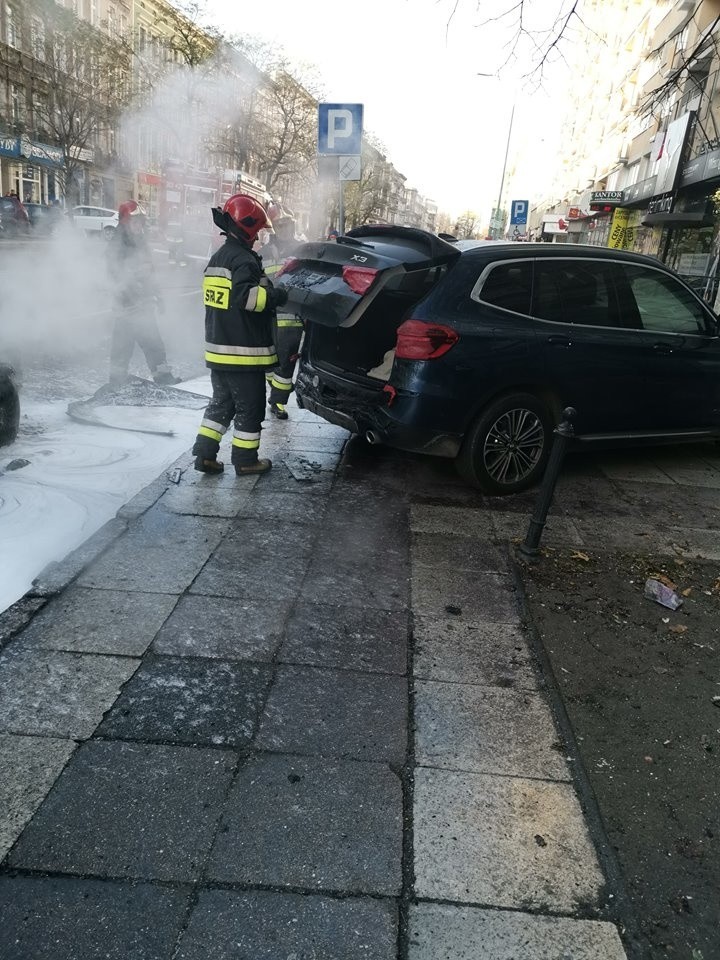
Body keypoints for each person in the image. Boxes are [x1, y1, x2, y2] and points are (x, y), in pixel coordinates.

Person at [191, 193, 288, 476]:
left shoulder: (219, 257)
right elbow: (248, 299)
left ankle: (205, 455)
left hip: (218, 350)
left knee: (221, 404)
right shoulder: (243, 260)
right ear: (246, 227)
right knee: (251, 407)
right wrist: (275, 295)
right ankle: (246, 461)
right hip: (242, 353)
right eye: (256, 230)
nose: (258, 237)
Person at [107, 200, 180, 386]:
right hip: (126, 307)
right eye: (135, 222)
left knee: (154, 344)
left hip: (144, 306)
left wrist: (159, 296)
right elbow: (115, 276)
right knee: (121, 349)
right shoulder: (117, 245)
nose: (140, 226)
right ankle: (116, 383)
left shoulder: (141, 243)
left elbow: (150, 273)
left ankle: (163, 378)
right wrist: (131, 294)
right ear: (125, 222)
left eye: (141, 222)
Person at [261, 202, 304, 420]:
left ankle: (277, 401)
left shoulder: (302, 250)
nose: (286, 229)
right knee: (268, 358)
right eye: (281, 225)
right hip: (267, 313)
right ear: (275, 228)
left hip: (291, 316)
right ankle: (275, 386)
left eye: (289, 224)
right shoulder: (264, 251)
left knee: (286, 361)